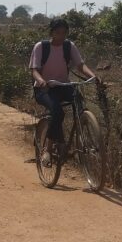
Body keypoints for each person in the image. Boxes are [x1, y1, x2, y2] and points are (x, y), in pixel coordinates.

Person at [29, 18, 101, 161]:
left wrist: (94, 77)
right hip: (45, 89)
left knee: (79, 102)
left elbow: (80, 66)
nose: (61, 36)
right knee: (57, 111)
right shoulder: (41, 47)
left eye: (64, 33)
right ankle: (48, 149)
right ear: (51, 33)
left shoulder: (69, 46)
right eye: (58, 33)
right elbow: (34, 70)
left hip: (63, 86)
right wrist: (41, 81)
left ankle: (81, 133)